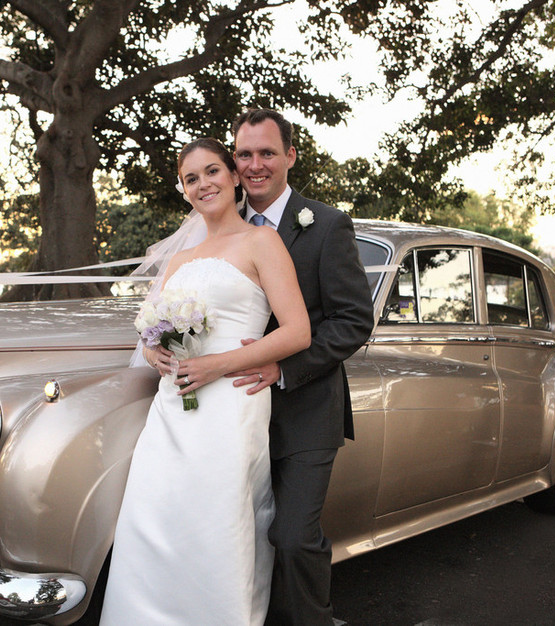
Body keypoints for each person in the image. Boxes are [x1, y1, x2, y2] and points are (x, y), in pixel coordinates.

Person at [100, 138, 311, 625]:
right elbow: (153, 330)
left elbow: (298, 331)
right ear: (184, 190)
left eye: (212, 171)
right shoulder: (178, 260)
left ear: (234, 177)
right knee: (158, 518)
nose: (203, 184)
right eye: (191, 178)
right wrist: (155, 350)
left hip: (232, 405)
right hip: (172, 409)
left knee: (219, 520)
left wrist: (217, 366)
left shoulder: (262, 242)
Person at [227, 108, 374, 625]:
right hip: (232, 413)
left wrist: (283, 369)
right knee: (235, 537)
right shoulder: (221, 228)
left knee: (292, 538)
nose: (255, 165)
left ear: (290, 156)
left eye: (267, 152)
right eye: (244, 154)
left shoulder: (327, 224)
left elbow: (354, 320)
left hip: (307, 410)